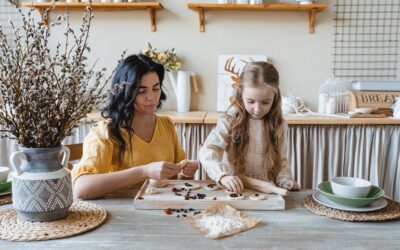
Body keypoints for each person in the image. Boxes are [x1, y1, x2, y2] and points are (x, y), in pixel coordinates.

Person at [72, 54, 198, 199]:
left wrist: (186, 173)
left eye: (156, 88)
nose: (151, 97)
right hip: (120, 215)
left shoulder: (166, 124)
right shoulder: (105, 132)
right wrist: (145, 171)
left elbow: (178, 183)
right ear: (124, 92)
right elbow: (81, 189)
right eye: (141, 91)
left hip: (162, 210)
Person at [199, 61, 299, 194]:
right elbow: (207, 150)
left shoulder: (279, 125)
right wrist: (222, 175)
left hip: (266, 189)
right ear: (241, 94)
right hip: (234, 187)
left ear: (275, 97)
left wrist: (285, 179)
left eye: (265, 102)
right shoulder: (229, 120)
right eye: (250, 101)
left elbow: (281, 159)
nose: (257, 109)